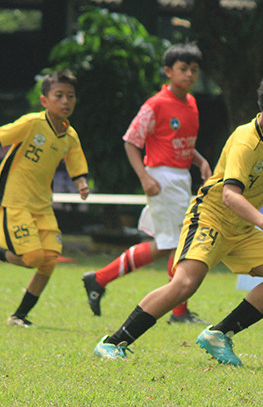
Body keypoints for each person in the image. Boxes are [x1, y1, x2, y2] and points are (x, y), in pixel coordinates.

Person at [93, 64, 263, 365]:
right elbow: (229, 194)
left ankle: (219, 334)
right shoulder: (245, 141)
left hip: (241, 225)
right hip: (211, 217)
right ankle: (114, 341)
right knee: (184, 284)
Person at [81, 44, 212, 322]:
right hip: (162, 178)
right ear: (168, 71)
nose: (189, 75)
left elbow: (182, 144)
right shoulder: (155, 104)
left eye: (194, 70)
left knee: (170, 244)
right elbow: (131, 141)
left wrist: (199, 162)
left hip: (180, 179)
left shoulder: (191, 103)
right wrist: (145, 177)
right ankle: (178, 311)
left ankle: (99, 279)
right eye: (183, 69)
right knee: (177, 245)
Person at [0, 69, 90, 327]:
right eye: (58, 95)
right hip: (15, 200)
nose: (65, 101)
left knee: (49, 260)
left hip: (42, 205)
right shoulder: (32, 123)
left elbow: (76, 164)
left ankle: (20, 315)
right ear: (44, 100)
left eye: (70, 96)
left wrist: (82, 183)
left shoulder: (70, 136)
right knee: (33, 258)